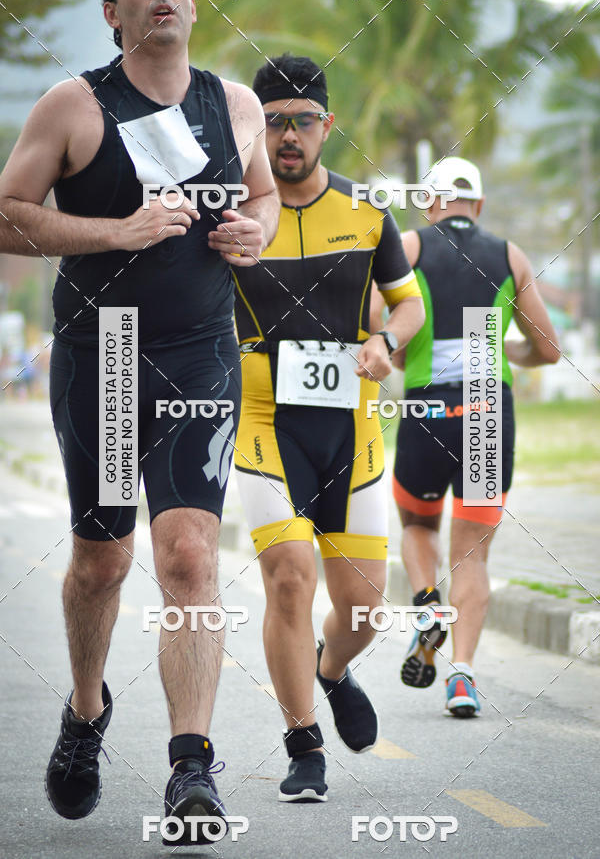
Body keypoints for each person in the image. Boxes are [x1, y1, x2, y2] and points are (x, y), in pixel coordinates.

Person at [0, 0, 279, 845]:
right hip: (108, 356)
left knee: (190, 555)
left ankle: (191, 766)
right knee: (103, 562)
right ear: (112, 10)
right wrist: (116, 232)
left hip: (200, 353)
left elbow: (265, 194)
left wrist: (255, 231)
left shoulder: (237, 104)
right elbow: (8, 212)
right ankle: (87, 712)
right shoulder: (75, 106)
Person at [232, 53, 424, 801]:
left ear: (327, 125)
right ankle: (303, 743)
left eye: (303, 121)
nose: (289, 136)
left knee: (367, 608)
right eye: (274, 121)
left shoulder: (367, 210)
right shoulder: (234, 214)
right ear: (256, 129)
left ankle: (331, 668)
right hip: (263, 419)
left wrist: (386, 341)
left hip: (353, 425)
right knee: (289, 579)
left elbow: (407, 302)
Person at [371, 156, 560, 717]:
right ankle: (463, 678)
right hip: (486, 408)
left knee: (417, 522)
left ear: (430, 202)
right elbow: (548, 349)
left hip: (428, 405)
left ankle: (427, 605)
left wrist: (401, 354)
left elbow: (377, 322)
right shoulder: (508, 255)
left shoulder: (411, 246)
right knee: (472, 553)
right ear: (478, 204)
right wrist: (502, 349)